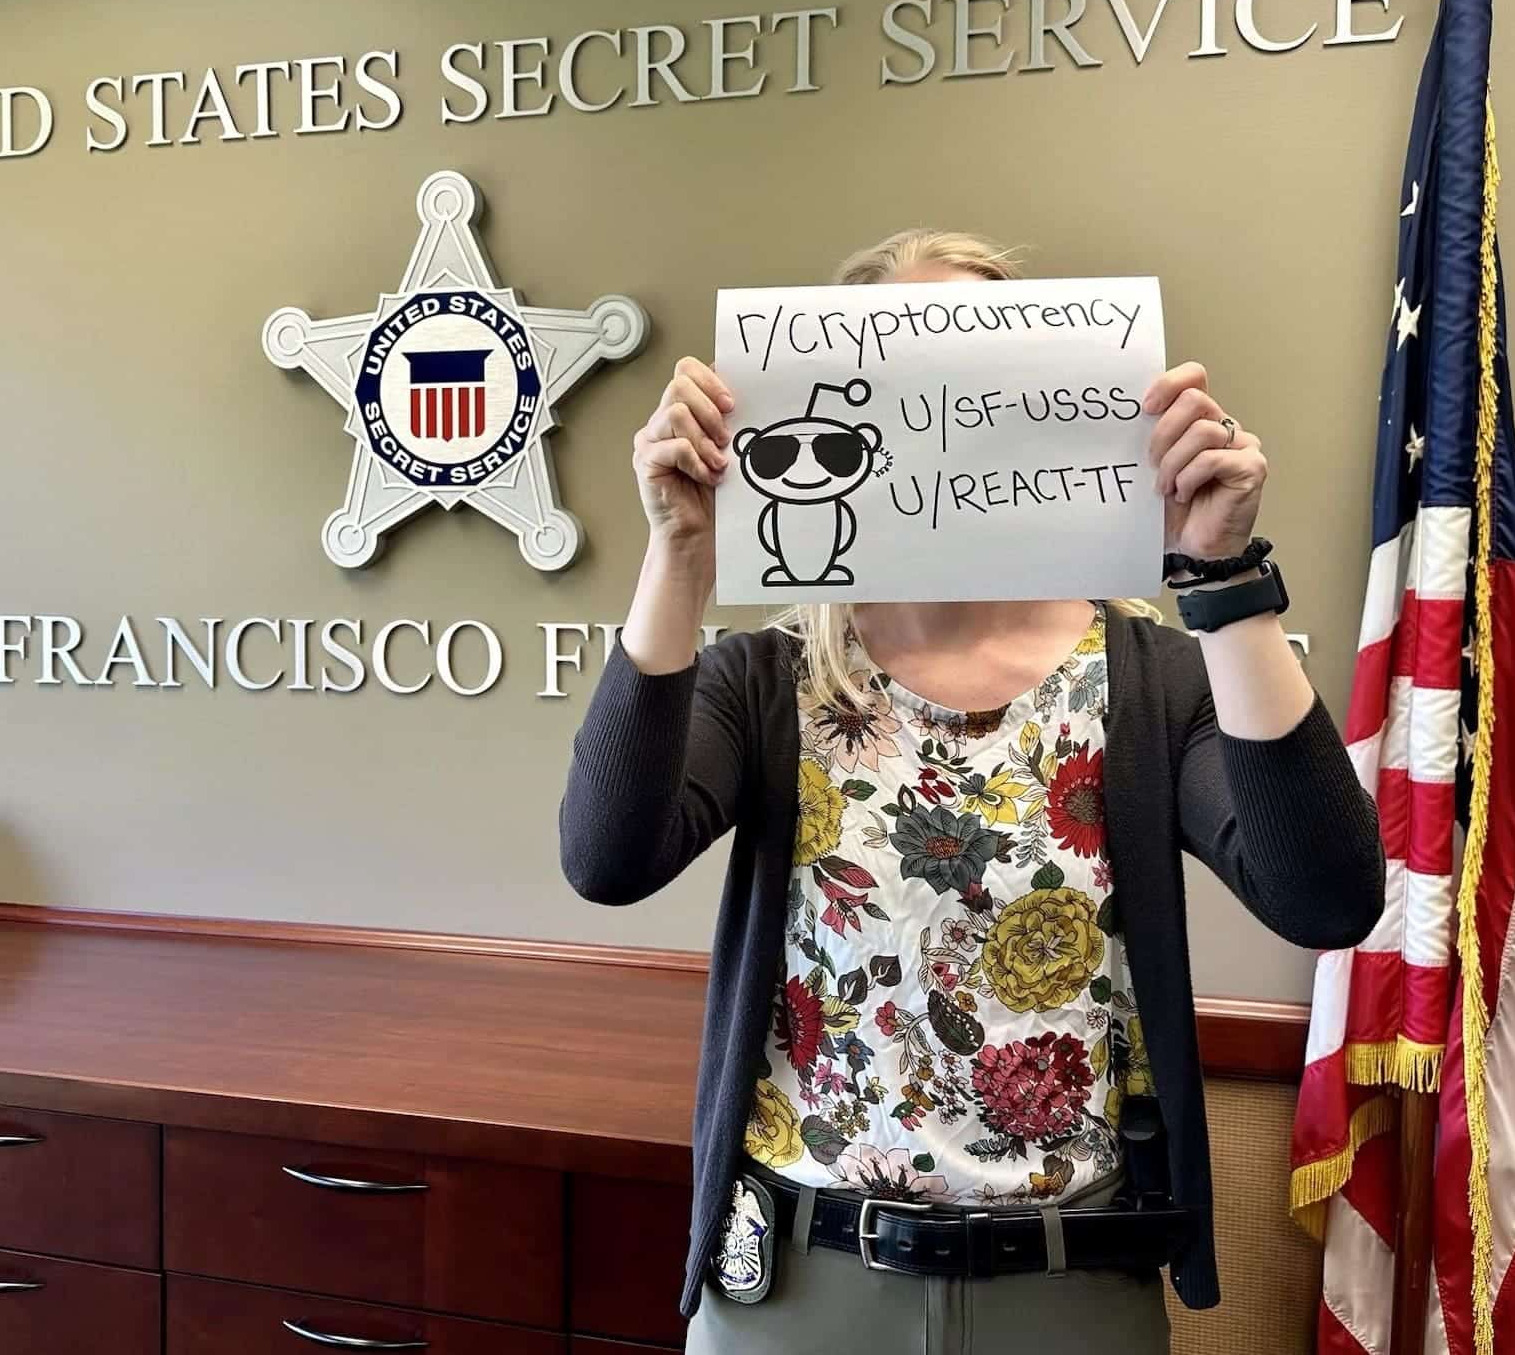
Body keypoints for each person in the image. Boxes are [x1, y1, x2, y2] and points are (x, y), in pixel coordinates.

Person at [559, 230, 1385, 1354]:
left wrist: (1223, 577)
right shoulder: (769, 680)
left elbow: (1327, 893)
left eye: (979, 386)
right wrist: (677, 558)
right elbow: (606, 858)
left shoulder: (1148, 681)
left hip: (1067, 1282)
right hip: (800, 1283)